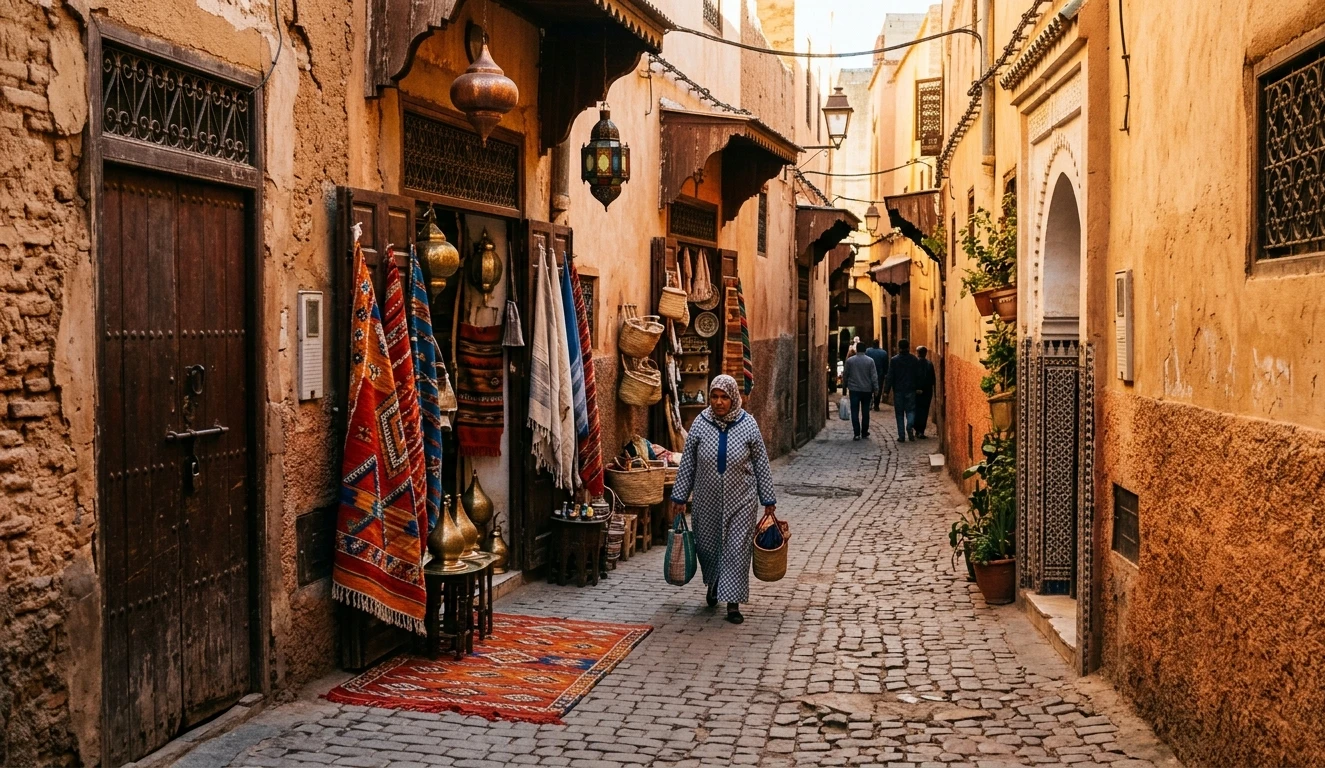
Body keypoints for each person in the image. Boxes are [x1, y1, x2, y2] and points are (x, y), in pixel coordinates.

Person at [670, 375, 777, 625]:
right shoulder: (701, 423)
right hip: (706, 499)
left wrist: (768, 499)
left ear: (734, 399)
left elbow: (761, 463)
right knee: (707, 546)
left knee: (737, 549)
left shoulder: (748, 424)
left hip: (742, 499)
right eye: (714, 397)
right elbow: (688, 462)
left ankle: (732, 604)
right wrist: (680, 496)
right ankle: (714, 582)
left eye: (724, 397)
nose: (719, 402)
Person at [883, 339, 921, 442]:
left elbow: (890, 376)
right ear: (908, 347)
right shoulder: (914, 359)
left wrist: (886, 391)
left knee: (899, 414)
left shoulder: (894, 360)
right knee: (911, 410)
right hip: (911, 389)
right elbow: (918, 375)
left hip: (898, 390)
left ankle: (901, 436)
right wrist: (918, 387)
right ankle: (909, 425)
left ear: (899, 348)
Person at [842, 345, 879, 441]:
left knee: (854, 411)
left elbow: (845, 374)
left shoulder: (850, 361)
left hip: (854, 390)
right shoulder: (870, 361)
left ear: (857, 350)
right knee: (865, 411)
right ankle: (864, 432)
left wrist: (844, 386)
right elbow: (874, 376)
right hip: (867, 390)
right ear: (865, 350)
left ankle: (857, 433)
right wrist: (876, 389)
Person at [914, 346, 936, 438]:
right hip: (927, 391)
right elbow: (932, 379)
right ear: (925, 353)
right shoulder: (929, 364)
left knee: (916, 409)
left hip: (915, 391)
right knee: (924, 411)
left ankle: (916, 429)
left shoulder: (914, 363)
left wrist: (916, 388)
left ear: (917, 353)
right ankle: (921, 431)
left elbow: (912, 377)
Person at [864, 340, 889, 411]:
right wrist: (885, 373)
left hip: (869, 373)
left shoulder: (867, 351)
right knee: (878, 389)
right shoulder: (883, 353)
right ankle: (876, 405)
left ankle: (869, 403)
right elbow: (886, 364)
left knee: (869, 389)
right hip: (879, 374)